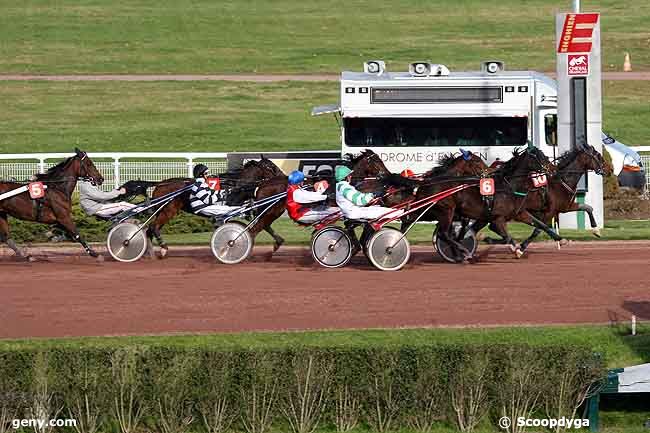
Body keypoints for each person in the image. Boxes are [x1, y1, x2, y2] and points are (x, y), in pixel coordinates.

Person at [335, 166, 403, 220]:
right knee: (383, 211)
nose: (351, 177)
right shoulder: (345, 187)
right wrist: (374, 194)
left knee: (377, 207)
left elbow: (359, 196)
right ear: (345, 177)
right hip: (354, 212)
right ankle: (402, 213)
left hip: (351, 211)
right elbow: (360, 201)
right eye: (349, 175)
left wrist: (372, 195)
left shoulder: (340, 186)